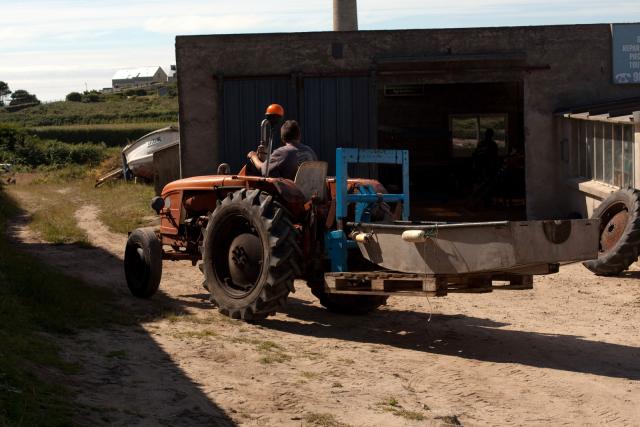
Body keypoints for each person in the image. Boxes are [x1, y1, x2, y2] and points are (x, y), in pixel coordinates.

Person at [247, 120, 317, 180]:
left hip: (292, 193)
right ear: (299, 135)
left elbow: (263, 170)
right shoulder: (310, 151)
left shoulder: (282, 152)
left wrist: (253, 156)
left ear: (282, 138)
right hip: (312, 192)